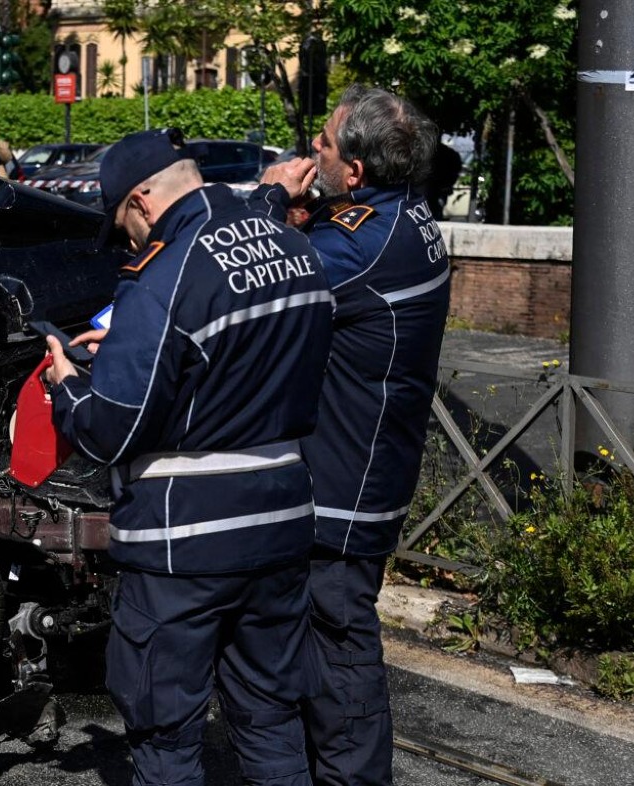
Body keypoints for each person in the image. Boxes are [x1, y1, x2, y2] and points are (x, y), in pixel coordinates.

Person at [43, 127, 334, 786]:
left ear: (143, 201)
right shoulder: (294, 247)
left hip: (184, 541)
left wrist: (68, 387)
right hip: (284, 517)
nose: (128, 241)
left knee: (166, 735)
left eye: (123, 224)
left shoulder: (160, 279)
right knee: (270, 720)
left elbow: (110, 432)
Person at [263, 84, 451, 786]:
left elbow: (264, 280)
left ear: (357, 172)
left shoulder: (362, 246)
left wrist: (271, 199)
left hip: (345, 491)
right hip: (365, 473)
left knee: (340, 662)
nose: (311, 149)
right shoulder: (402, 218)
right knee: (318, 651)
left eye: (324, 144)